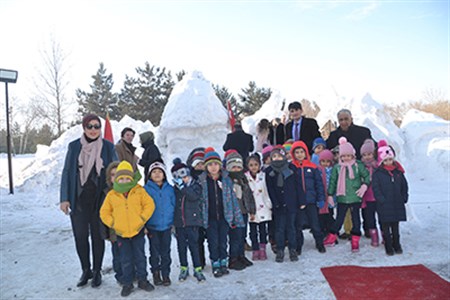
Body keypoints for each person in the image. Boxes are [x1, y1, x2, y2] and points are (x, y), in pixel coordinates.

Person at [60, 114, 118, 288]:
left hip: (100, 200)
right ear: (84, 128)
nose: (93, 130)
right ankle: (86, 270)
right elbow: (67, 173)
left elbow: (116, 170)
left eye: (97, 126)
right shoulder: (74, 147)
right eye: (90, 126)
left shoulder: (107, 147)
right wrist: (64, 198)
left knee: (98, 237)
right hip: (78, 199)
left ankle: (97, 271)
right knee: (80, 237)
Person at [100, 161, 155, 297]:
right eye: (121, 179)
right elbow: (104, 212)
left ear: (132, 178)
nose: (124, 181)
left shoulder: (139, 191)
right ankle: (127, 283)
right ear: (117, 180)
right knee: (125, 259)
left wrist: (142, 219)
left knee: (140, 257)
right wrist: (113, 223)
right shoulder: (112, 195)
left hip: (137, 231)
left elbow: (149, 205)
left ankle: (142, 280)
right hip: (121, 233)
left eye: (127, 178)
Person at [198, 147, 245, 278]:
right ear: (206, 167)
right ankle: (215, 264)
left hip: (224, 217)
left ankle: (223, 262)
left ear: (220, 165)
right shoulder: (202, 181)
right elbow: (200, 202)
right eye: (210, 165)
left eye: (216, 164)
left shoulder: (226, 180)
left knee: (223, 241)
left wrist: (236, 217)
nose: (213, 167)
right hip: (210, 218)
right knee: (213, 242)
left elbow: (233, 200)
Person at [323, 137, 370, 252]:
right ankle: (332, 237)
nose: (346, 158)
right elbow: (333, 181)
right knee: (339, 218)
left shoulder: (358, 165)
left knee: (356, 219)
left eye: (348, 155)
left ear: (353, 155)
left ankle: (355, 240)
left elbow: (367, 176)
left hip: (355, 197)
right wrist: (330, 194)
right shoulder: (337, 167)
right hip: (342, 197)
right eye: (343, 156)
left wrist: (364, 185)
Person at [171, 158, 206, 282]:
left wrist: (183, 187)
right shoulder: (175, 189)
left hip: (193, 222)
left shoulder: (195, 185)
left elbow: (193, 196)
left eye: (183, 175)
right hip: (180, 223)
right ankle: (184, 267)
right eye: (178, 177)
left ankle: (197, 268)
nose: (182, 179)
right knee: (181, 247)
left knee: (194, 245)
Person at [372, 140, 408, 256]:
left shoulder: (398, 172)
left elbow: (404, 185)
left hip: (396, 203)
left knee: (395, 227)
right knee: (386, 228)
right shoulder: (378, 173)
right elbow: (375, 188)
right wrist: (381, 199)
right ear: (382, 161)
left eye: (390, 159)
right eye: (386, 160)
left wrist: (404, 196)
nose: (388, 162)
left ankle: (397, 244)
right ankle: (388, 246)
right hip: (384, 205)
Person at [265, 146, 301, 263]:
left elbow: (298, 186)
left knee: (291, 227)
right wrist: (274, 203)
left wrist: (301, 200)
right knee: (279, 229)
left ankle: (292, 249)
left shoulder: (292, 168)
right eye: (274, 156)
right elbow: (269, 189)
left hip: (291, 204)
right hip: (278, 206)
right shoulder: (269, 172)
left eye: (279, 156)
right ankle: (280, 249)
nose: (277, 158)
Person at [290, 141, 326, 254]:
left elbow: (319, 184)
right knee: (298, 225)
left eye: (302, 152)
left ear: (306, 153)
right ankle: (298, 245)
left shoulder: (313, 167)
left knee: (315, 223)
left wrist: (321, 198)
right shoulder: (291, 167)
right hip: (298, 202)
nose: (300, 154)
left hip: (311, 200)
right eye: (297, 152)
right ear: (293, 154)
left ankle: (319, 242)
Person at [144, 161, 176, 287]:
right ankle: (156, 273)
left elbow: (174, 205)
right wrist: (144, 225)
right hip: (153, 226)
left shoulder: (170, 189)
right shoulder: (145, 190)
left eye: (160, 172)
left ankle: (166, 274)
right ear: (149, 175)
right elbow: (142, 208)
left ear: (164, 174)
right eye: (154, 172)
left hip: (167, 226)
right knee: (154, 252)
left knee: (166, 252)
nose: (157, 174)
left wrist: (173, 222)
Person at [225, 150, 256, 271]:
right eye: (234, 167)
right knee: (235, 237)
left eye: (239, 166)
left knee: (242, 235)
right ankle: (233, 258)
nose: (237, 169)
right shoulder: (227, 181)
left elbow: (249, 195)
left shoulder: (243, 179)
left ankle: (241, 256)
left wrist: (252, 209)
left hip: (243, 211)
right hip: (233, 213)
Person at [245, 154, 272, 261]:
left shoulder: (263, 176)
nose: (254, 167)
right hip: (252, 209)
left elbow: (266, 191)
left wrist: (269, 204)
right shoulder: (245, 178)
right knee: (253, 231)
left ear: (260, 165)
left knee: (263, 230)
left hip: (263, 207)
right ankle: (255, 249)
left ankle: (262, 248)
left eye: (256, 164)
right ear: (247, 166)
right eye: (251, 165)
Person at [186, 147, 207, 269]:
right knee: (197, 239)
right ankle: (199, 261)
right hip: (195, 213)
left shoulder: (207, 176)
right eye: (197, 164)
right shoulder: (190, 178)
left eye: (202, 163)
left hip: (207, 211)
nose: (200, 166)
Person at [360, 139, 380, 247]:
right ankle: (374, 237)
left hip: (378, 197)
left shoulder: (378, 166)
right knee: (369, 218)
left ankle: (384, 235)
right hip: (367, 198)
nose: (367, 157)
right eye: (364, 154)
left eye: (370, 154)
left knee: (382, 218)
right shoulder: (361, 167)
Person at [317, 150, 336, 237]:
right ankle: (323, 231)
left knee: (330, 215)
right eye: (323, 161)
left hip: (330, 196)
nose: (325, 163)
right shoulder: (317, 170)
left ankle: (331, 231)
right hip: (321, 196)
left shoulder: (333, 170)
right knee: (321, 216)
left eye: (328, 161)